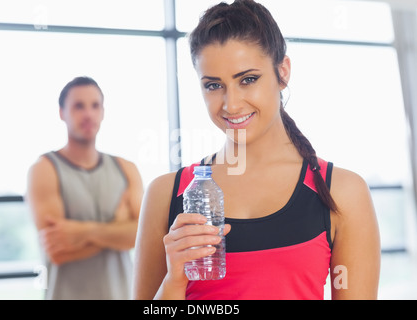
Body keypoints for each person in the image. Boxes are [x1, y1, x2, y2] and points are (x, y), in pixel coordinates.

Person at [133, 0, 380, 300]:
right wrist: (174, 281)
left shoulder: (342, 191)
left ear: (282, 72)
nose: (231, 104)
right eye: (213, 85)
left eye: (248, 80)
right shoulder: (166, 194)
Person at [26, 76, 143, 300]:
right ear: (62, 113)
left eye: (95, 105)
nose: (88, 113)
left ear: (103, 112)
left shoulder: (126, 168)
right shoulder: (44, 169)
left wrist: (82, 232)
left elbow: (141, 236)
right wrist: (118, 228)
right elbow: (58, 250)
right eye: (79, 106)